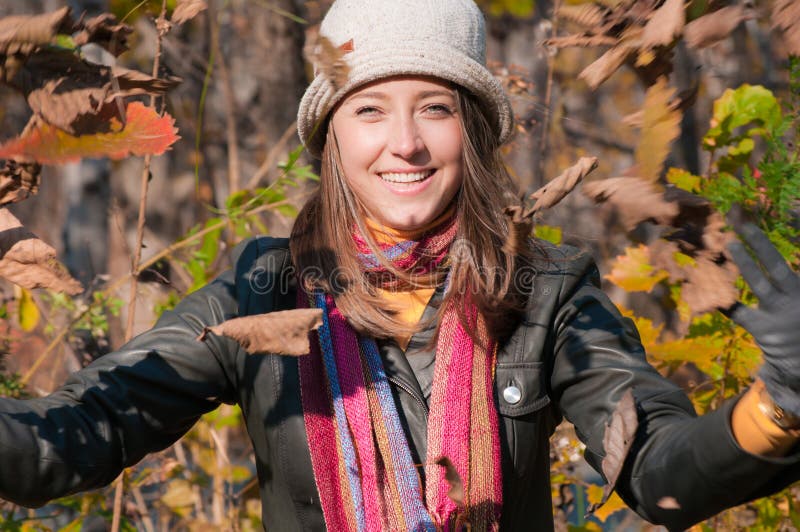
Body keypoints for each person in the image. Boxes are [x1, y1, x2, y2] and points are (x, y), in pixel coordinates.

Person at [1, 0, 799, 530]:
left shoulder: (548, 295)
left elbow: (662, 471)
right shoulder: (261, 292)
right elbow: (80, 434)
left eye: (437, 109)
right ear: (334, 139)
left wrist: (779, 408)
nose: (406, 143)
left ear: (474, 136)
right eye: (371, 110)